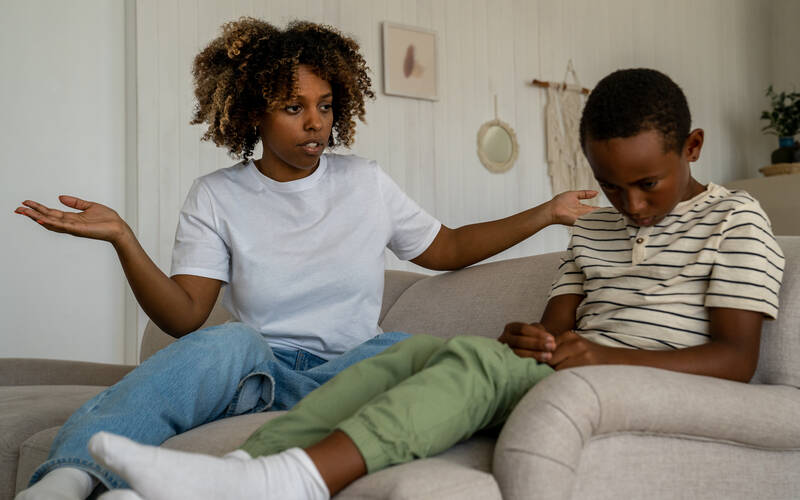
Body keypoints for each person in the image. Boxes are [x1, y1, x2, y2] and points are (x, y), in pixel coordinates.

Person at [81, 67, 785, 500]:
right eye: (610, 185)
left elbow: (737, 359)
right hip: (578, 373)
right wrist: (539, 339)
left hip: (637, 379)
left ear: (691, 148)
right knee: (413, 352)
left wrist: (596, 357)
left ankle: (291, 480)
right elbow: (556, 327)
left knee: (466, 356)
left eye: (648, 184)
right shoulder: (597, 230)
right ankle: (235, 474)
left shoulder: (736, 218)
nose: (629, 205)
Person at [13, 19, 597, 500]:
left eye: (324, 105)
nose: (315, 122)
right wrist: (123, 238)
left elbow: (447, 249)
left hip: (351, 368)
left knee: (407, 348)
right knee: (224, 341)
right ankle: (70, 478)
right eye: (293, 106)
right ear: (251, 114)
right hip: (259, 373)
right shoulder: (217, 195)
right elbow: (186, 316)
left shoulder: (365, 182)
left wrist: (545, 212)